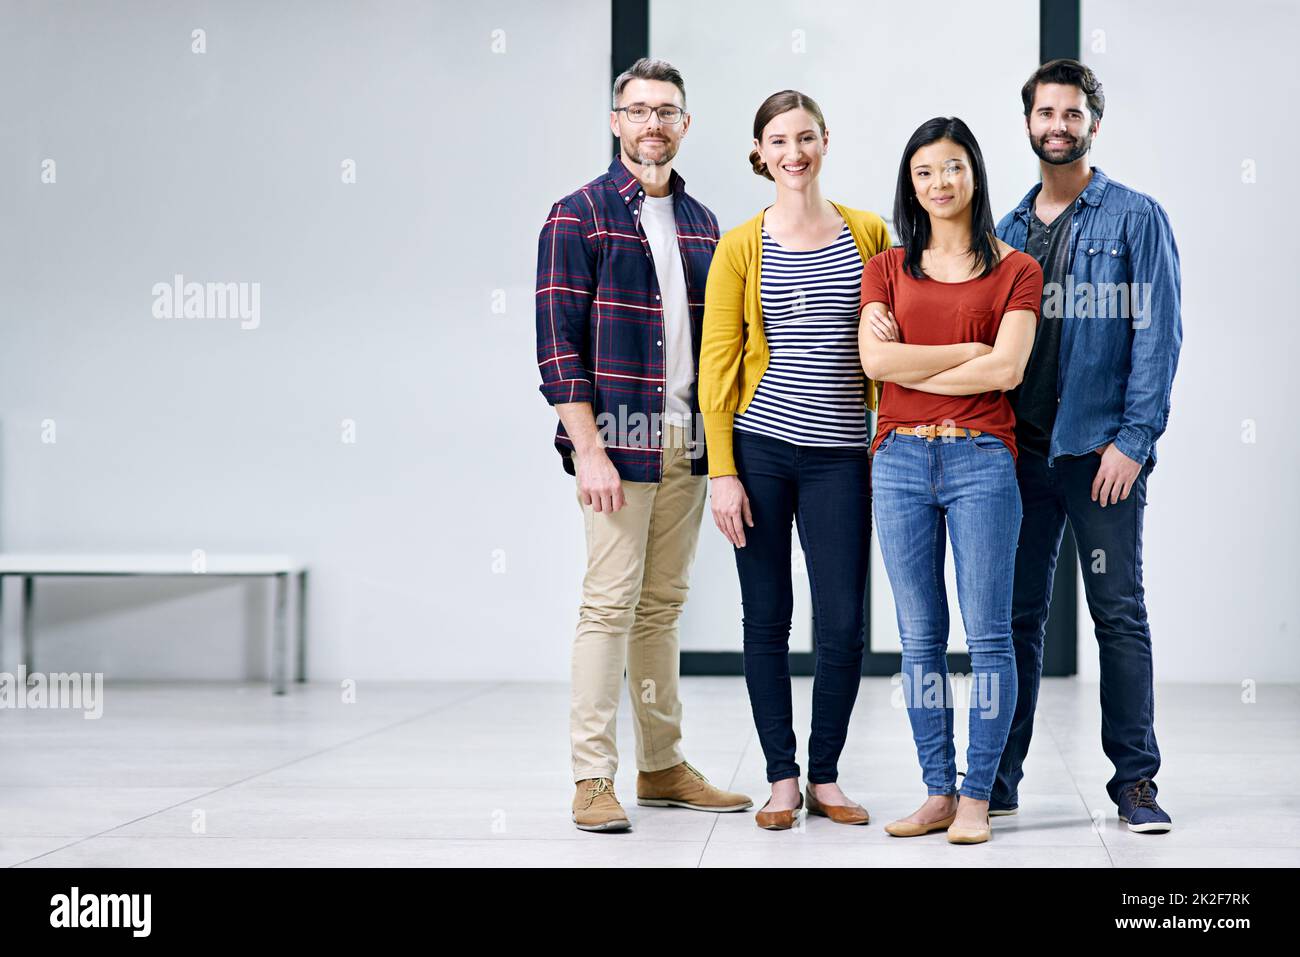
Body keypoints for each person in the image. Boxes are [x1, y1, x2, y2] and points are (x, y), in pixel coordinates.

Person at [534, 57, 752, 832]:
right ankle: (593, 776)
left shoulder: (703, 225)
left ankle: (661, 765)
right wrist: (587, 448)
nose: (652, 122)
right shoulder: (578, 215)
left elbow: (724, 342)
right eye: (638, 109)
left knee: (662, 609)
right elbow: (557, 347)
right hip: (616, 448)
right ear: (616, 121)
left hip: (688, 443)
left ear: (684, 126)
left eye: (666, 111)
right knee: (608, 606)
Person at [991, 59, 1181, 833]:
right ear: (1029, 123)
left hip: (1099, 456)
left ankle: (1135, 783)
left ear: (1092, 123)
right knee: (1014, 618)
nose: (1058, 126)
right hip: (1020, 457)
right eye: (1046, 114)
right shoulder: (1004, 231)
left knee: (1118, 613)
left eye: (1072, 114)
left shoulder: (1136, 217)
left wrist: (1133, 442)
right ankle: (998, 778)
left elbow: (1158, 334)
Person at [699, 90, 892, 830]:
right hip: (761, 451)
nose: (794, 152)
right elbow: (718, 365)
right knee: (768, 615)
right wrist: (722, 470)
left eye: (806, 137)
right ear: (760, 151)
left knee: (843, 621)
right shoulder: (741, 245)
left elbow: (891, 335)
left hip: (843, 452)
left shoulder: (868, 232)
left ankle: (827, 775)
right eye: (779, 140)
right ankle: (782, 777)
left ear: (825, 141)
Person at [859, 116, 1042, 845]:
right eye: (924, 171)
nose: (939, 183)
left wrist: (926, 356)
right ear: (912, 182)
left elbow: (1008, 370)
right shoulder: (888, 267)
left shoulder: (1017, 269)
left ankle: (977, 796)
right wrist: (970, 344)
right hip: (899, 460)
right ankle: (936, 788)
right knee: (920, 637)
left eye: (952, 168)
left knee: (990, 636)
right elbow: (876, 367)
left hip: (982, 461)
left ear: (975, 174)